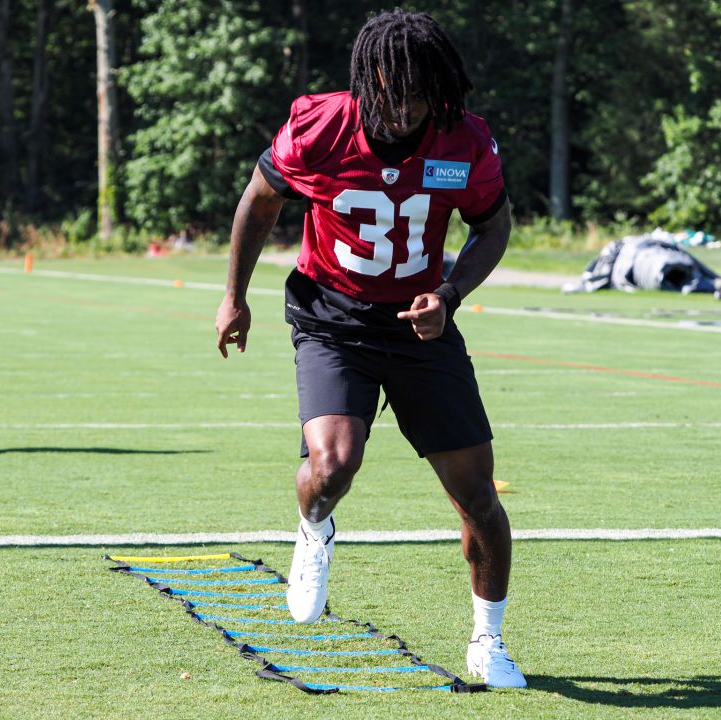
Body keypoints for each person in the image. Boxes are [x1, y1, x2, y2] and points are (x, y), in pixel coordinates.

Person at [213, 9, 524, 688]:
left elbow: (493, 227)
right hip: (333, 317)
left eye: (417, 96)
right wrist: (235, 295)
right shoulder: (321, 125)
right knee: (332, 467)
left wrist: (451, 292)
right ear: (368, 79)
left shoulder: (461, 139)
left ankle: (487, 640)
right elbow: (260, 202)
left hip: (420, 325)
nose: (402, 110)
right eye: (391, 93)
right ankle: (314, 529)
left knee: (476, 493)